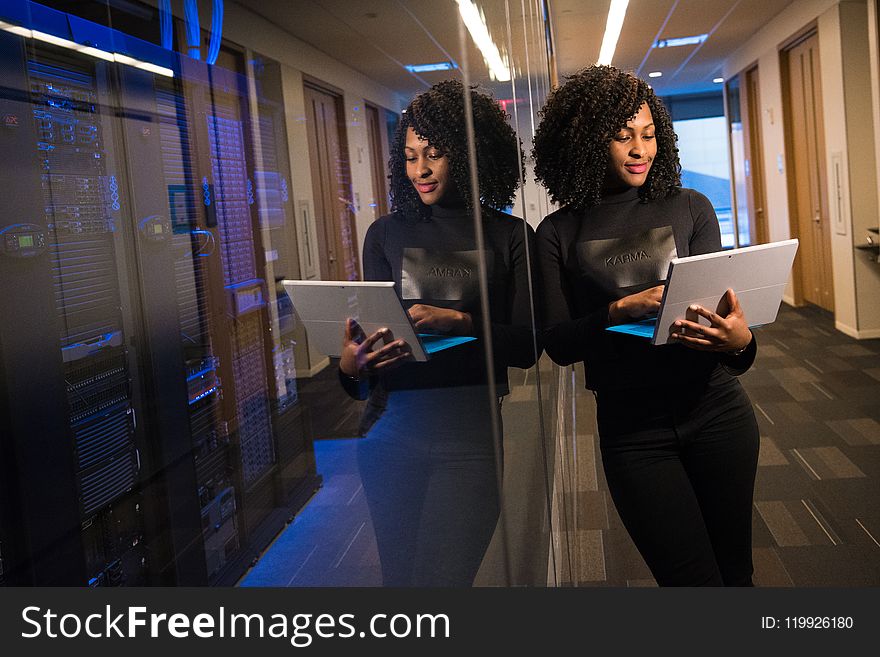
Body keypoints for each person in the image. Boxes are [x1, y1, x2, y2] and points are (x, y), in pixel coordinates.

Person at [533, 65, 760, 586]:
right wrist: (617, 312)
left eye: (649, 134)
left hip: (718, 412)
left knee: (737, 574)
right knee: (690, 583)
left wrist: (741, 342)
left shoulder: (690, 207)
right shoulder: (558, 232)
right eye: (622, 136)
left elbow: (727, 328)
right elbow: (558, 345)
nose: (640, 149)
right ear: (588, 143)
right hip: (634, 434)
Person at [338, 79, 538, 586]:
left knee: (444, 583)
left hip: (470, 436)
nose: (420, 170)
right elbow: (371, 355)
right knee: (400, 585)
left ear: (471, 155)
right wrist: (350, 366)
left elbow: (529, 345)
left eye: (433, 154)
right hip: (389, 430)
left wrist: (464, 323)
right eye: (409, 157)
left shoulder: (510, 236)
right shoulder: (385, 234)